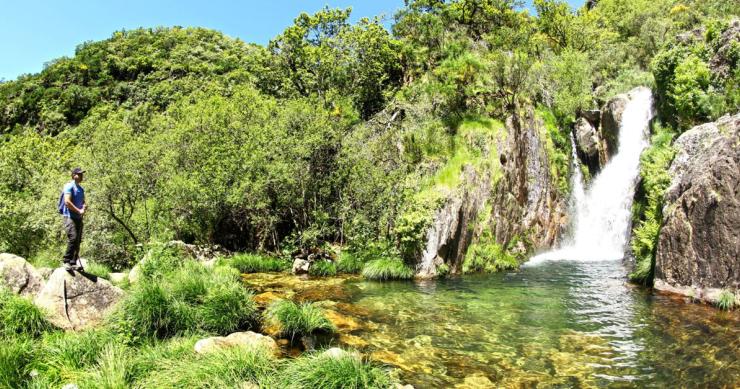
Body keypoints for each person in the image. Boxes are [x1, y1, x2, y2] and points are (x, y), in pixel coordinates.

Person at [61, 167, 87, 271]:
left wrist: (84, 207)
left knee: (78, 240)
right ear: (74, 175)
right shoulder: (69, 186)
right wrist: (78, 210)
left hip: (78, 218)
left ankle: (73, 262)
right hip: (69, 217)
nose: (81, 176)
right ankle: (66, 261)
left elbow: (83, 201)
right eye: (79, 174)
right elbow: (67, 202)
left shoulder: (81, 189)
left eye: (82, 174)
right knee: (73, 238)